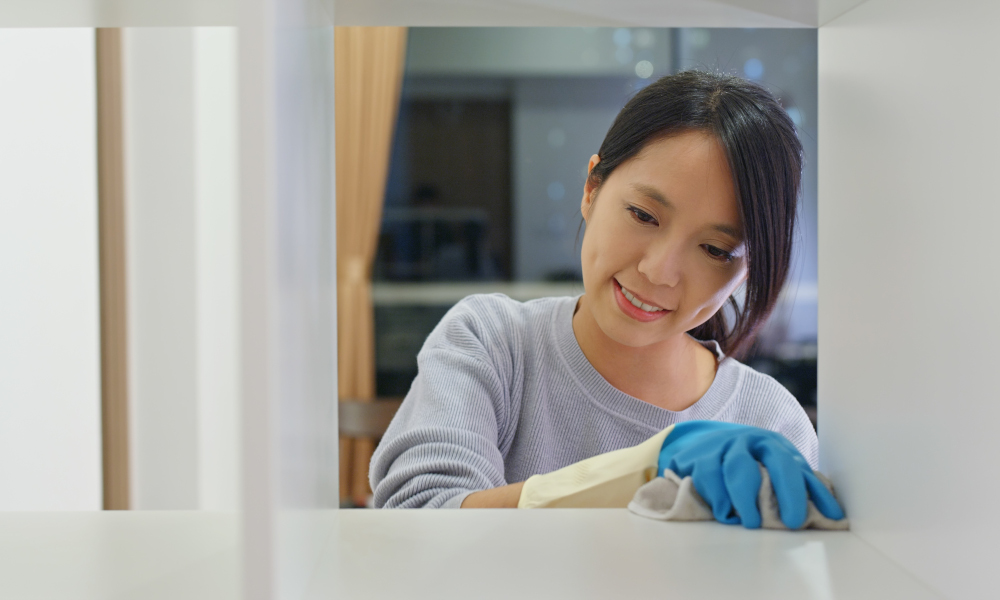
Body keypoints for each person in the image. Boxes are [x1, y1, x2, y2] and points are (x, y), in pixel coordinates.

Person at [369, 71, 839, 525]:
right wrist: (642, 471)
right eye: (643, 215)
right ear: (592, 188)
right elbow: (417, 525)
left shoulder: (768, 422)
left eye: (715, 250)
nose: (658, 271)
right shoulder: (493, 343)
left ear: (746, 271)